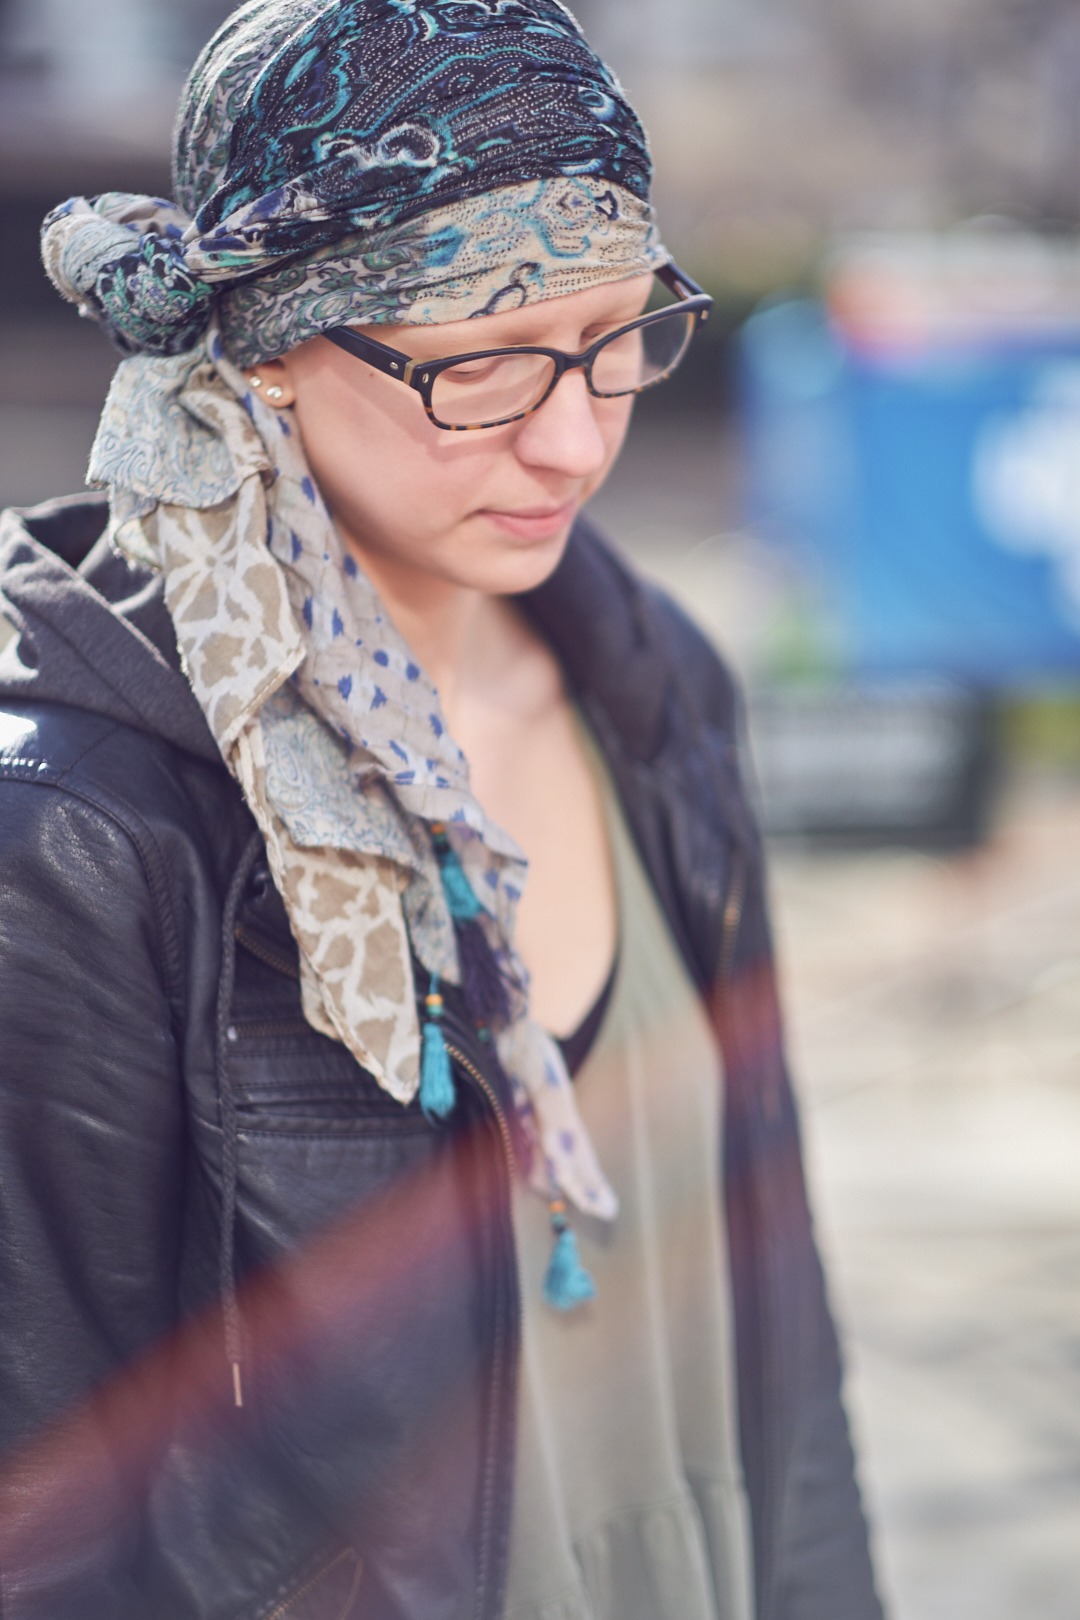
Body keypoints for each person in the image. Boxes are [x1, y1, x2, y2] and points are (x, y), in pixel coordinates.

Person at [0, 3, 883, 1617]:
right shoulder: (81, 824)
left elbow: (774, 1288)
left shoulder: (650, 680)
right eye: (481, 368)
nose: (574, 438)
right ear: (265, 352)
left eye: (622, 336)